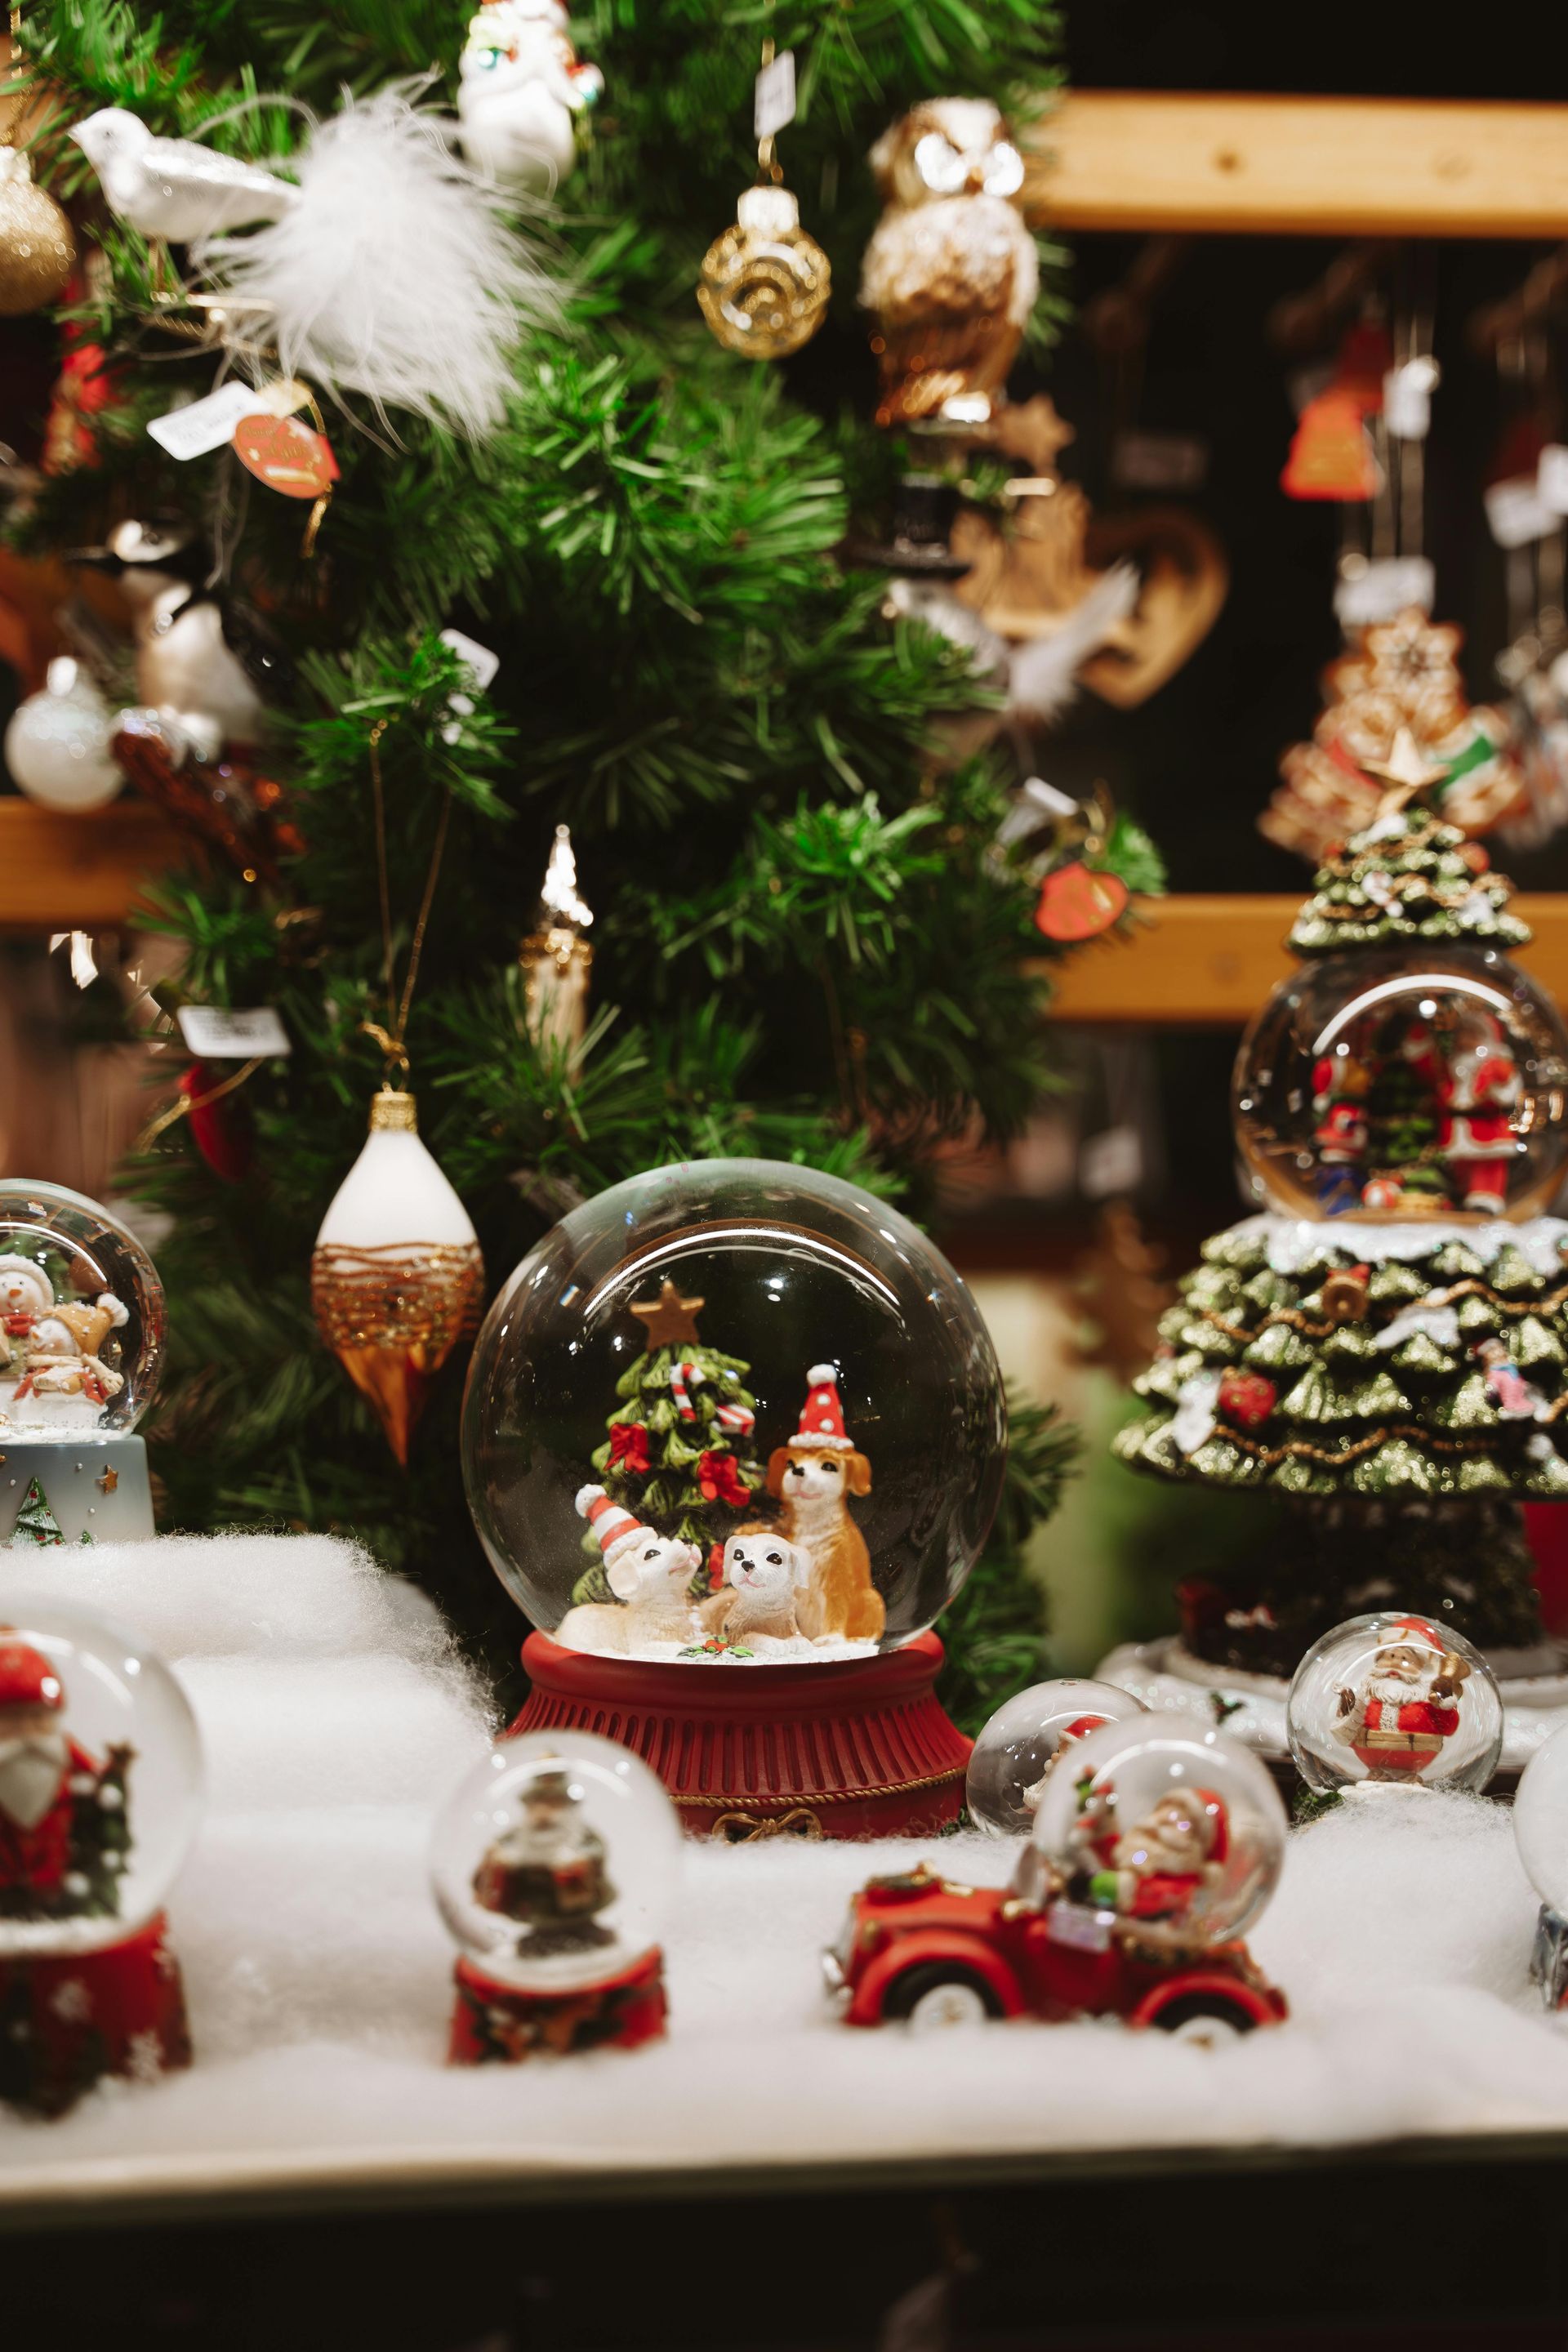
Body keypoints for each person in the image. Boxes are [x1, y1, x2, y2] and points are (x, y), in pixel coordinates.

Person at [472, 1766, 617, 1959]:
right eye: (537, 1805)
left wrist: (580, 1860)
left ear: (566, 1806)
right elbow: (500, 1848)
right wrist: (502, 1857)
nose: (543, 1813)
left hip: (573, 1893)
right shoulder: (520, 1834)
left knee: (579, 1919)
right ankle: (541, 1940)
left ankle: (586, 1934)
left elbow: (596, 1850)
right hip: (533, 1897)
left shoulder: (579, 1833)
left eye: (552, 1804)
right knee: (541, 1922)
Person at [1331, 1617, 1469, 1780]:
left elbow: (1448, 1727)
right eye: (1390, 1657)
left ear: (1421, 1668)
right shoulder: (1368, 1700)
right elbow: (1350, 1728)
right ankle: (1377, 1774)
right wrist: (1348, 1708)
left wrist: (1444, 1703)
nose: (1395, 1664)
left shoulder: (1426, 1704)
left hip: (1416, 1758)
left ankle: (1410, 1777)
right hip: (1372, 1757)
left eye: (1404, 1659)